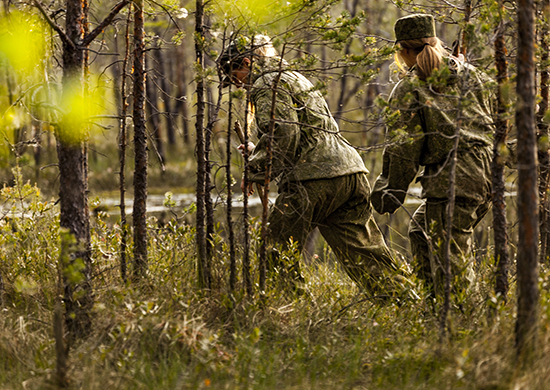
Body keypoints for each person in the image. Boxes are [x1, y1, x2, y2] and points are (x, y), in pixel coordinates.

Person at [219, 35, 410, 297]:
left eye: (233, 75)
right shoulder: (292, 76)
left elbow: (283, 134)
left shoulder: (266, 83)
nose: (235, 84)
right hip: (349, 171)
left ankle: (290, 312)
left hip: (314, 178)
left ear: (247, 62)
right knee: (366, 253)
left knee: (276, 249)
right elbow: (299, 133)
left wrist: (254, 170)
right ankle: (406, 302)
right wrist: (257, 152)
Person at [370, 14, 494, 299]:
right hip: (487, 173)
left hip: (453, 180)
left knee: (452, 262)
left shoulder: (410, 87)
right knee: (420, 231)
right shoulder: (469, 73)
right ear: (436, 42)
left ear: (403, 51)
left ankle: (464, 322)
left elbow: (404, 149)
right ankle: (434, 306)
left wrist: (389, 193)